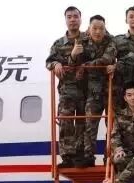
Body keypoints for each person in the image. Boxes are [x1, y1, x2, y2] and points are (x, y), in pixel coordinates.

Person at [46, 6, 87, 168]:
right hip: (67, 90)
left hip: (86, 89)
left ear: (80, 19)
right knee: (66, 121)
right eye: (69, 17)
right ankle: (68, 156)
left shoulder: (89, 39)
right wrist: (55, 63)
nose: (72, 20)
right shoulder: (58, 44)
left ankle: (81, 155)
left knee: (83, 123)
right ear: (65, 20)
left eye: (75, 16)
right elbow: (49, 62)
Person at [75, 14, 117, 164]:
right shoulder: (82, 42)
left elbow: (107, 59)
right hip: (93, 91)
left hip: (110, 89)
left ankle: (109, 157)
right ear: (89, 29)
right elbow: (75, 62)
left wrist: (86, 66)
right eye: (95, 28)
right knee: (90, 123)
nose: (98, 32)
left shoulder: (111, 41)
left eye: (101, 29)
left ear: (105, 29)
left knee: (112, 126)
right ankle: (88, 156)